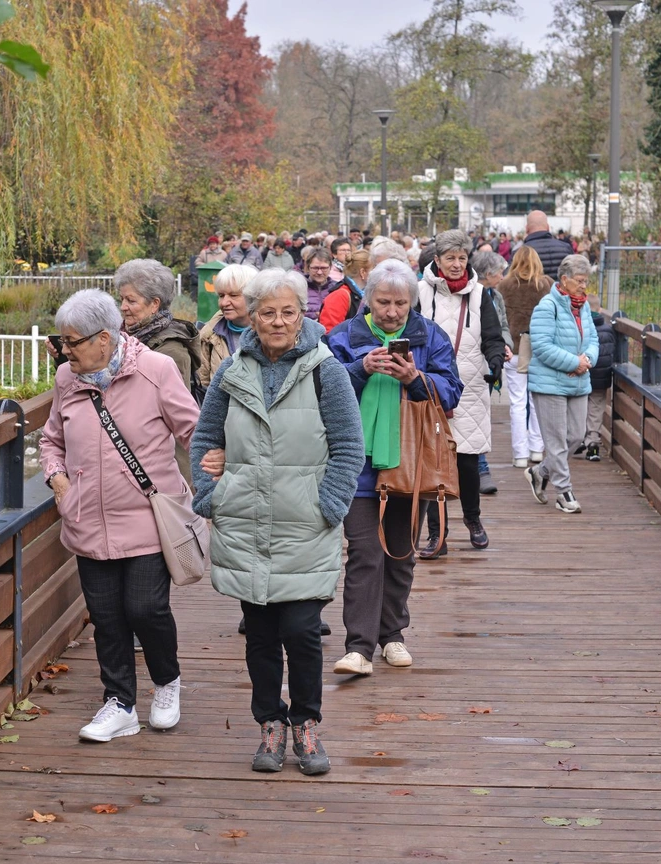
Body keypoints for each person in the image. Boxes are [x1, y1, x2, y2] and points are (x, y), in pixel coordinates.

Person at [191, 269, 364, 776]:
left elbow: (349, 447)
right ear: (253, 314)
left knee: (303, 630)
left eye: (289, 312)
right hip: (245, 521)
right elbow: (204, 440)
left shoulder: (324, 369)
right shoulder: (232, 371)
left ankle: (307, 723)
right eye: (268, 312)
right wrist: (211, 494)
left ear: (301, 314)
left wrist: (327, 506)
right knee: (262, 635)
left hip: (304, 523)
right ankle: (269, 722)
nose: (279, 321)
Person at [40, 289, 199, 742]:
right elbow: (52, 440)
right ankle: (120, 703)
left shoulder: (156, 371)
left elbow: (194, 431)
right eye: (63, 341)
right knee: (106, 615)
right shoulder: (67, 380)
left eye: (72, 342)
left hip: (148, 518)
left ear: (104, 340)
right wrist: (58, 480)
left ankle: (166, 683)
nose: (64, 350)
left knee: (145, 609)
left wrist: (209, 488)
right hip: (87, 518)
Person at [326, 260, 462, 675]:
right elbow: (322, 387)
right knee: (365, 553)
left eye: (400, 303)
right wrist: (360, 369)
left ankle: (393, 636)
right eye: (383, 302)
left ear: (411, 302)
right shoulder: (345, 336)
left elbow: (451, 390)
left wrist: (415, 378)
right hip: (356, 462)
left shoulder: (428, 335)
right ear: (368, 300)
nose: (391, 312)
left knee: (401, 552)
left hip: (410, 460)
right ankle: (359, 647)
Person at [416, 230, 506, 558]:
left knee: (468, 463)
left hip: (469, 390)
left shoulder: (482, 295)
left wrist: (495, 361)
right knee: (433, 464)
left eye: (462, 258)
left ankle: (473, 520)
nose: (457, 264)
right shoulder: (420, 293)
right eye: (450, 258)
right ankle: (436, 534)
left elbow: (493, 337)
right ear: (437, 260)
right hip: (429, 390)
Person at [524, 254, 599, 514]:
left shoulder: (584, 307)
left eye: (586, 281)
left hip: (578, 381)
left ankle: (540, 471)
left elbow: (594, 340)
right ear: (564, 280)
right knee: (556, 441)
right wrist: (573, 363)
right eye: (579, 281)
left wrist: (587, 360)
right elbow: (542, 346)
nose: (583, 286)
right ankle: (563, 493)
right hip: (550, 384)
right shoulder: (547, 306)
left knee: (576, 436)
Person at [116, 258, 201, 478]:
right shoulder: (123, 340)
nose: (123, 307)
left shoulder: (171, 350)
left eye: (131, 300)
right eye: (122, 299)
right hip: (132, 458)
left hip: (163, 467)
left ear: (154, 304)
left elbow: (178, 419)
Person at [497, 244, 552, 468]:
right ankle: (537, 449)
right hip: (540, 349)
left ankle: (519, 454)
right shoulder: (545, 285)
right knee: (536, 400)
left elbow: (498, 316)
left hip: (514, 348)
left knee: (517, 403)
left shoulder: (504, 285)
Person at [472, 250, 513, 496]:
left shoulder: (496, 296)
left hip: (490, 363)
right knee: (474, 414)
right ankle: (479, 469)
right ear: (488, 274)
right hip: (471, 362)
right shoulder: (471, 296)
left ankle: (479, 469)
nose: (502, 276)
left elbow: (503, 326)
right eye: (499, 272)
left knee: (480, 413)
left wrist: (504, 345)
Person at [195, 264, 255, 387]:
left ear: (253, 297)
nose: (224, 302)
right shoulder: (208, 336)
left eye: (233, 295)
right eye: (221, 295)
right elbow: (203, 385)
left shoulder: (271, 334)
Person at [576, 292, 615, 462]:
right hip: (601, 377)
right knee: (596, 408)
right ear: (599, 309)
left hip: (582, 374)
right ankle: (593, 441)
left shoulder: (580, 327)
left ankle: (578, 439)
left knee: (579, 406)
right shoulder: (608, 329)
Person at [319, 248, 371, 333]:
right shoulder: (340, 296)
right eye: (374, 269)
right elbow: (330, 334)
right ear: (363, 272)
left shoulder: (366, 294)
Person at [522, 210, 575, 281]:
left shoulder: (520, 252)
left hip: (534, 291)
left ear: (527, 229)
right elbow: (574, 275)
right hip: (560, 291)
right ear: (548, 227)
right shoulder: (566, 248)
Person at [304, 251, 338, 321]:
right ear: (308, 268)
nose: (319, 272)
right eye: (315, 268)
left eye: (324, 268)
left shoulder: (337, 288)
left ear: (330, 267)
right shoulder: (299, 287)